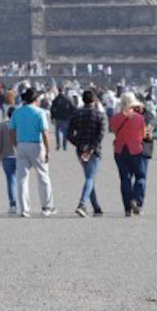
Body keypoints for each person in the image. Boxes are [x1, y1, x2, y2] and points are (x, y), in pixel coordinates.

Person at [10, 88, 55, 216]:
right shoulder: (40, 112)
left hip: (22, 144)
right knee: (42, 175)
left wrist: (16, 144)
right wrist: (48, 150)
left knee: (22, 178)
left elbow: (11, 130)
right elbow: (45, 133)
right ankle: (46, 206)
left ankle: (24, 208)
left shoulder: (17, 112)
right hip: (36, 144)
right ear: (35, 100)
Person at [67, 88, 107, 216]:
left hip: (81, 149)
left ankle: (96, 207)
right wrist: (91, 148)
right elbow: (101, 135)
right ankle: (82, 204)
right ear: (94, 100)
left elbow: (69, 133)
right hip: (94, 150)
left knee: (89, 177)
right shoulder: (99, 115)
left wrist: (78, 143)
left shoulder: (76, 114)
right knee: (90, 177)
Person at [108, 95, 148, 217]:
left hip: (120, 150)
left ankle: (127, 208)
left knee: (125, 178)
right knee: (140, 176)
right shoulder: (140, 118)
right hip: (135, 149)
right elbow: (143, 135)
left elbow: (113, 130)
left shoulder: (115, 118)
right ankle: (136, 200)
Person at [49, 86, 75, 151]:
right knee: (65, 133)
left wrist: (52, 117)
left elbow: (52, 109)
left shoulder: (56, 99)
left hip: (58, 118)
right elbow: (73, 108)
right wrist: (72, 117)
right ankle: (64, 145)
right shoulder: (68, 99)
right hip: (66, 118)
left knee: (57, 132)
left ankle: (58, 145)